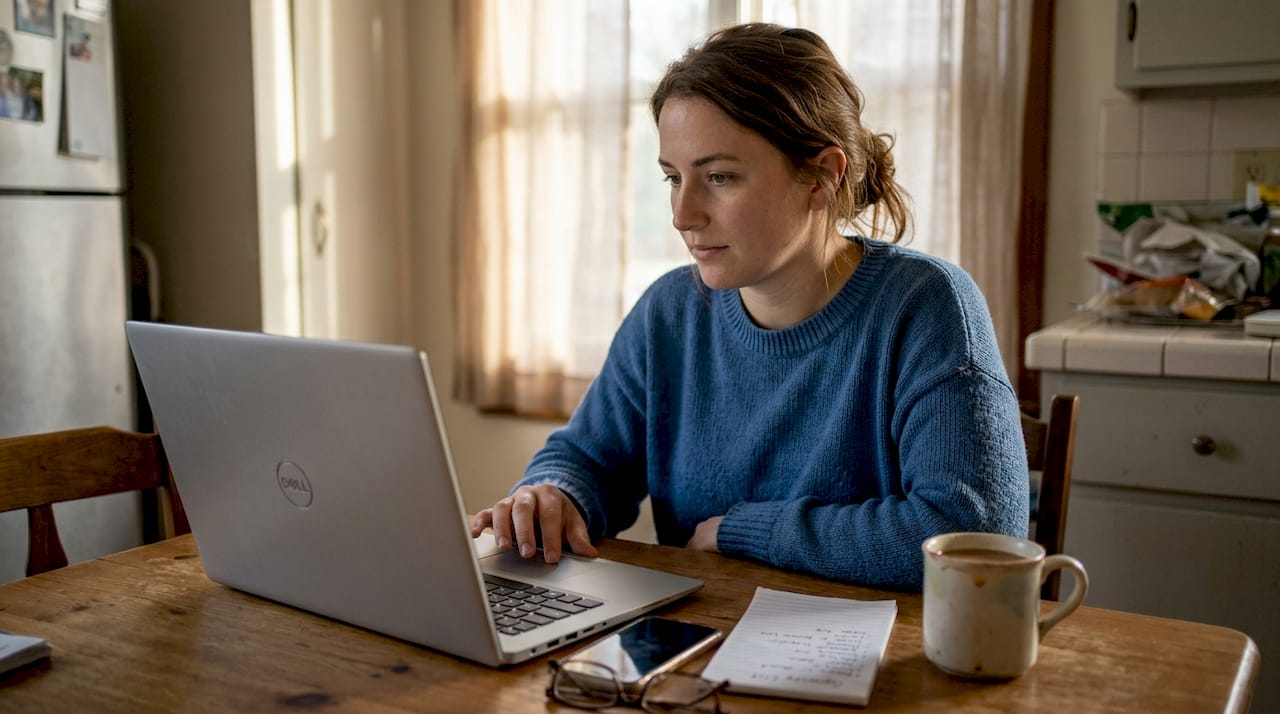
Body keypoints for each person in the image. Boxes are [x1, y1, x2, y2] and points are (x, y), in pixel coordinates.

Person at [470, 23, 1028, 591]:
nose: (683, 215)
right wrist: (552, 494)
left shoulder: (926, 307)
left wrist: (750, 531)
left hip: (880, 662)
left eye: (719, 177)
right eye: (672, 178)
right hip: (694, 652)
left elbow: (976, 533)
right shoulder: (671, 311)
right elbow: (589, 460)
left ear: (822, 176)